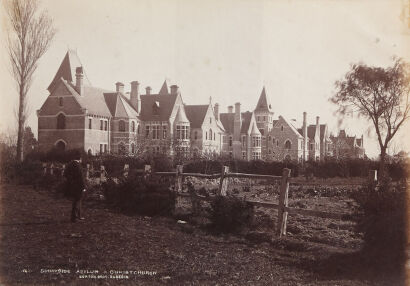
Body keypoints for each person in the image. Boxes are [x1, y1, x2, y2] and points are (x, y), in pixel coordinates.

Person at [64, 158, 86, 222]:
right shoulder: (78, 165)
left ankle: (78, 216)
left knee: (77, 200)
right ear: (80, 158)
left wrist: (71, 181)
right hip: (78, 186)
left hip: (72, 186)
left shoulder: (69, 164)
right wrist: (84, 186)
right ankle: (75, 218)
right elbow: (81, 177)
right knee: (77, 201)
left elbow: (65, 174)